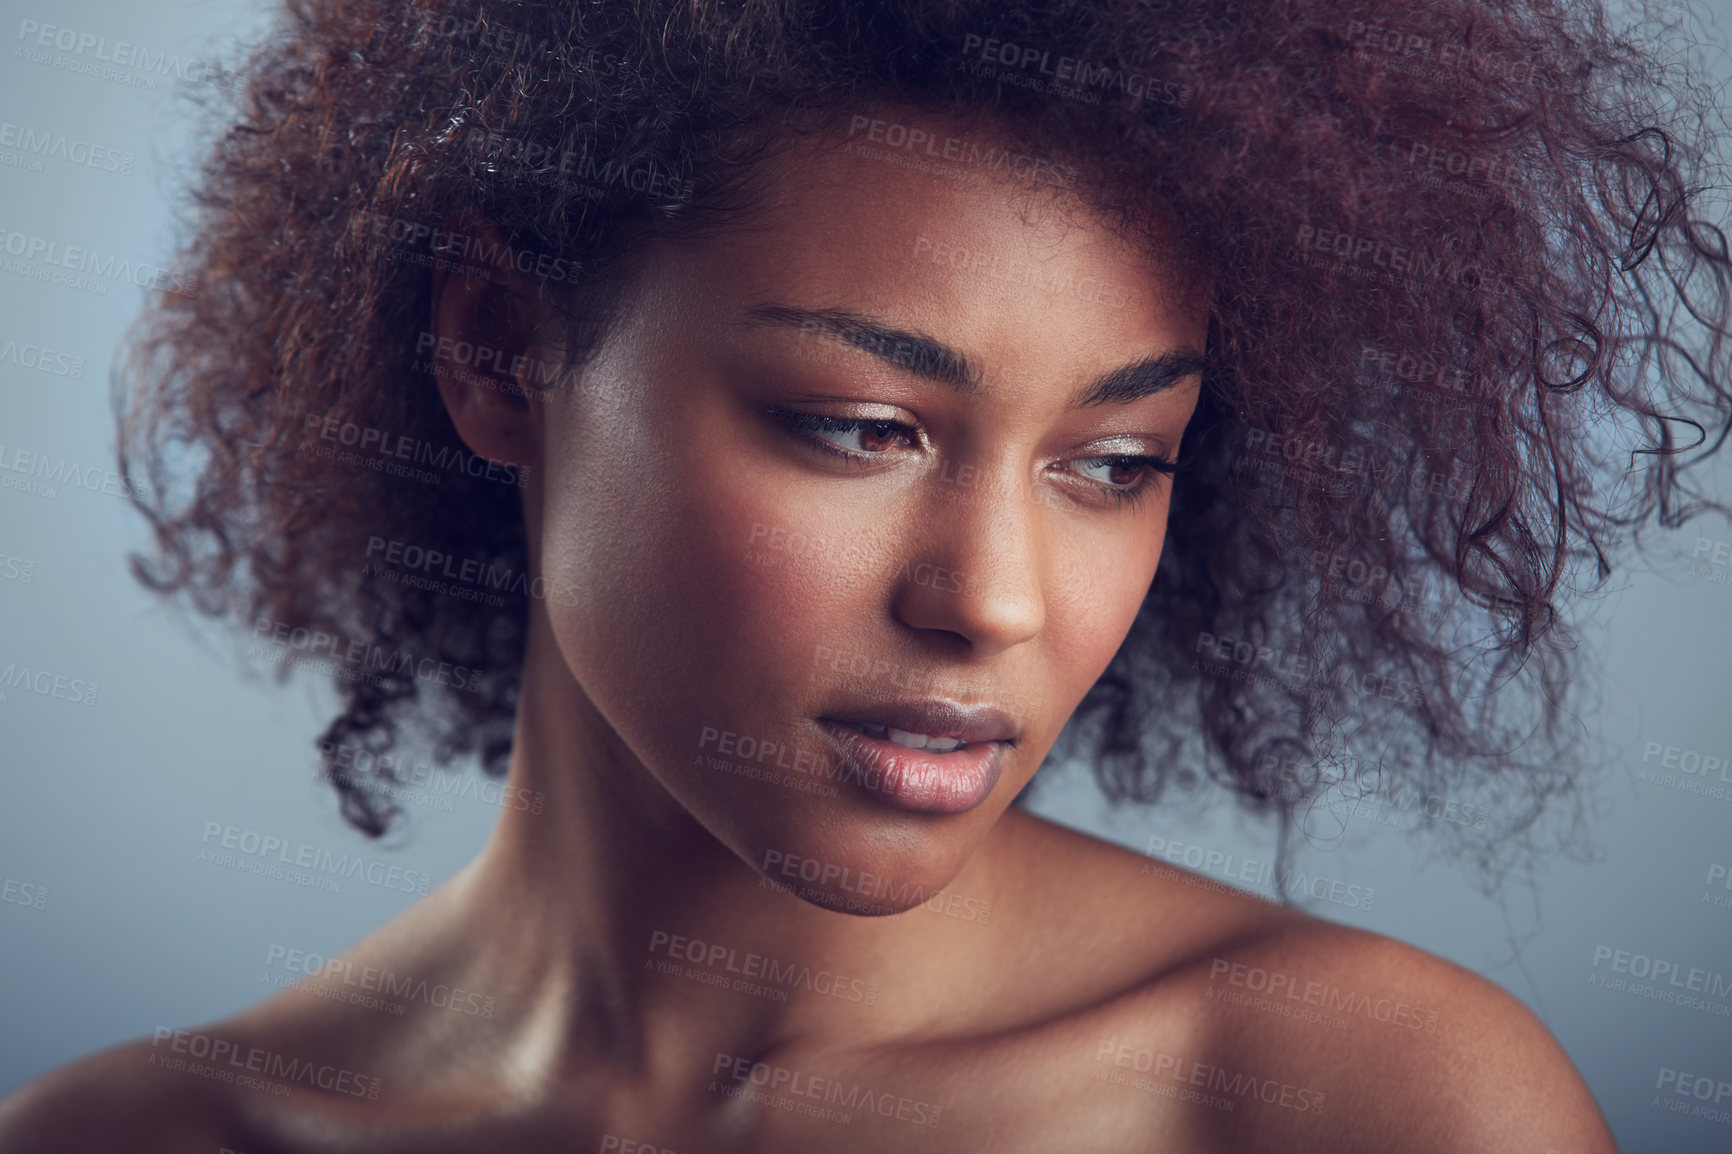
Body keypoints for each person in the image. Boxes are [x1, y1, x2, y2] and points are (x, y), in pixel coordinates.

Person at [5, 0, 1727, 1148]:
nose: (995, 600)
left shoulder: (1350, 1101)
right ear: (499, 350)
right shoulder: (130, 1133)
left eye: (1114, 464)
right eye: (860, 427)